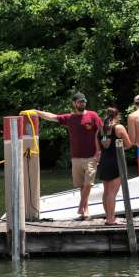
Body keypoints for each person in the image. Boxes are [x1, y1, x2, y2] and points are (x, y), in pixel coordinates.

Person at [37, 92, 103, 220]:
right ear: (74, 103)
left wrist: (100, 151)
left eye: (84, 101)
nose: (82, 103)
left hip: (91, 156)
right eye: (80, 102)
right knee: (81, 185)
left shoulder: (93, 115)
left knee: (89, 183)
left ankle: (81, 206)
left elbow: (102, 132)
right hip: (76, 157)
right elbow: (53, 117)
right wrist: (37, 112)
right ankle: (85, 212)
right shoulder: (70, 118)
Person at [96, 107, 132, 225]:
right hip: (116, 162)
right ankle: (111, 219)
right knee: (112, 193)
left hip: (103, 162)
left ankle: (108, 218)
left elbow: (98, 150)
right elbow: (128, 144)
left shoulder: (99, 130)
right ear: (117, 116)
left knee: (106, 192)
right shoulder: (119, 128)